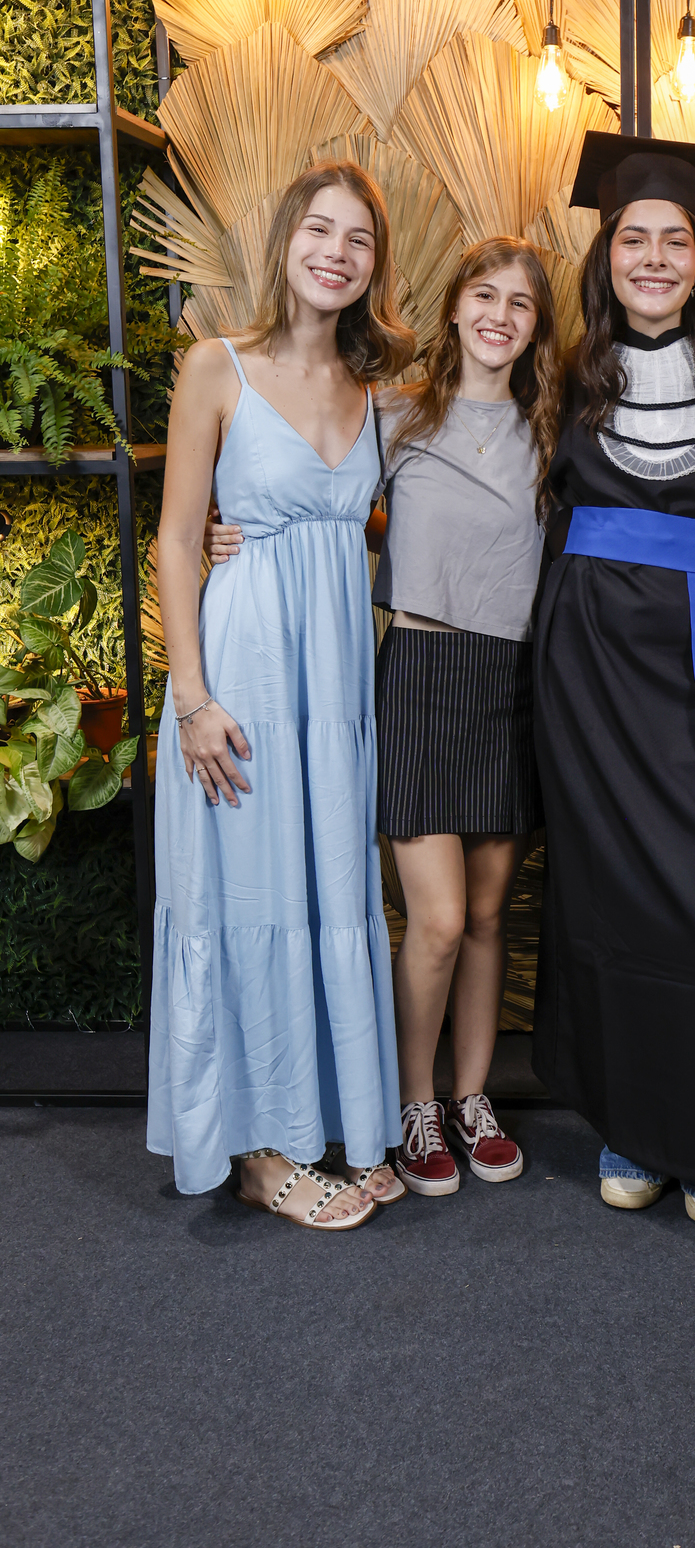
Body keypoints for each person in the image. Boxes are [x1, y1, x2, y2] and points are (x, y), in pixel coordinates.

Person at [533, 133, 695, 1226]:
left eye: (672, 241)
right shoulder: (562, 375)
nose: (651, 258)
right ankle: (635, 1127)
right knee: (607, 903)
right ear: (606, 257)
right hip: (588, 673)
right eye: (631, 239)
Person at [149, 162, 412, 1229]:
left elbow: (366, 526)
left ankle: (332, 1122)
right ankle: (260, 1156)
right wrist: (192, 700)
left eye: (358, 239)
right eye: (319, 230)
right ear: (285, 241)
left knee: (324, 893)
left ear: (374, 266)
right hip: (244, 680)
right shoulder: (216, 366)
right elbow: (176, 538)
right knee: (250, 898)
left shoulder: (377, 392)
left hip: (334, 689)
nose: (335, 253)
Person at [372, 238, 559, 1195]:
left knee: (487, 916)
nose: (499, 315)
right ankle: (415, 1104)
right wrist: (220, 526)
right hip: (419, 671)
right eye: (484, 295)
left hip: (513, 681)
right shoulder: (392, 416)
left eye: (520, 304)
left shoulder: (555, 437)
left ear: (536, 329)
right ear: (453, 308)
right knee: (437, 921)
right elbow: (308, 501)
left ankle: (472, 1098)